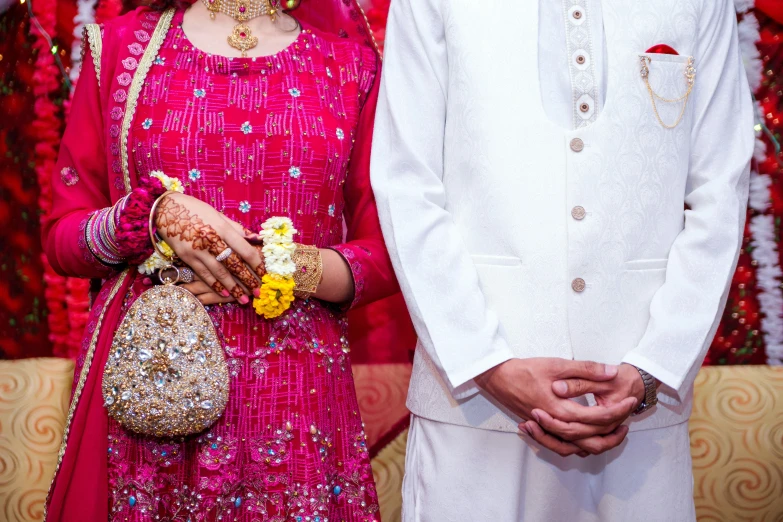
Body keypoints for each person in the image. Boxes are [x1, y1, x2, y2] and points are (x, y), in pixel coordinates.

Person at [371, 0, 753, 520]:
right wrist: (486, 365)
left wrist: (653, 369)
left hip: (637, 410)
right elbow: (405, 183)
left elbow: (720, 190)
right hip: (474, 408)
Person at [43, 0, 401, 520]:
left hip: (294, 392)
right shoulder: (121, 50)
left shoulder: (351, 66)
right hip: (155, 378)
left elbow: (388, 253)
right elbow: (63, 237)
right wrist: (154, 214)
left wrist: (279, 267)